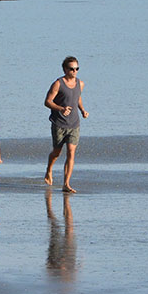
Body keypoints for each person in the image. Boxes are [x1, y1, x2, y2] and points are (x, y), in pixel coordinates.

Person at [44, 56, 88, 193]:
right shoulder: (58, 84)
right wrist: (61, 109)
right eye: (71, 69)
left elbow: (78, 97)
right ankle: (49, 169)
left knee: (71, 152)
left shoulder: (80, 83)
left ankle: (66, 184)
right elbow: (47, 101)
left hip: (74, 124)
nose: (74, 71)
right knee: (57, 152)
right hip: (59, 123)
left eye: (77, 68)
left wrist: (82, 110)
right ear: (65, 69)